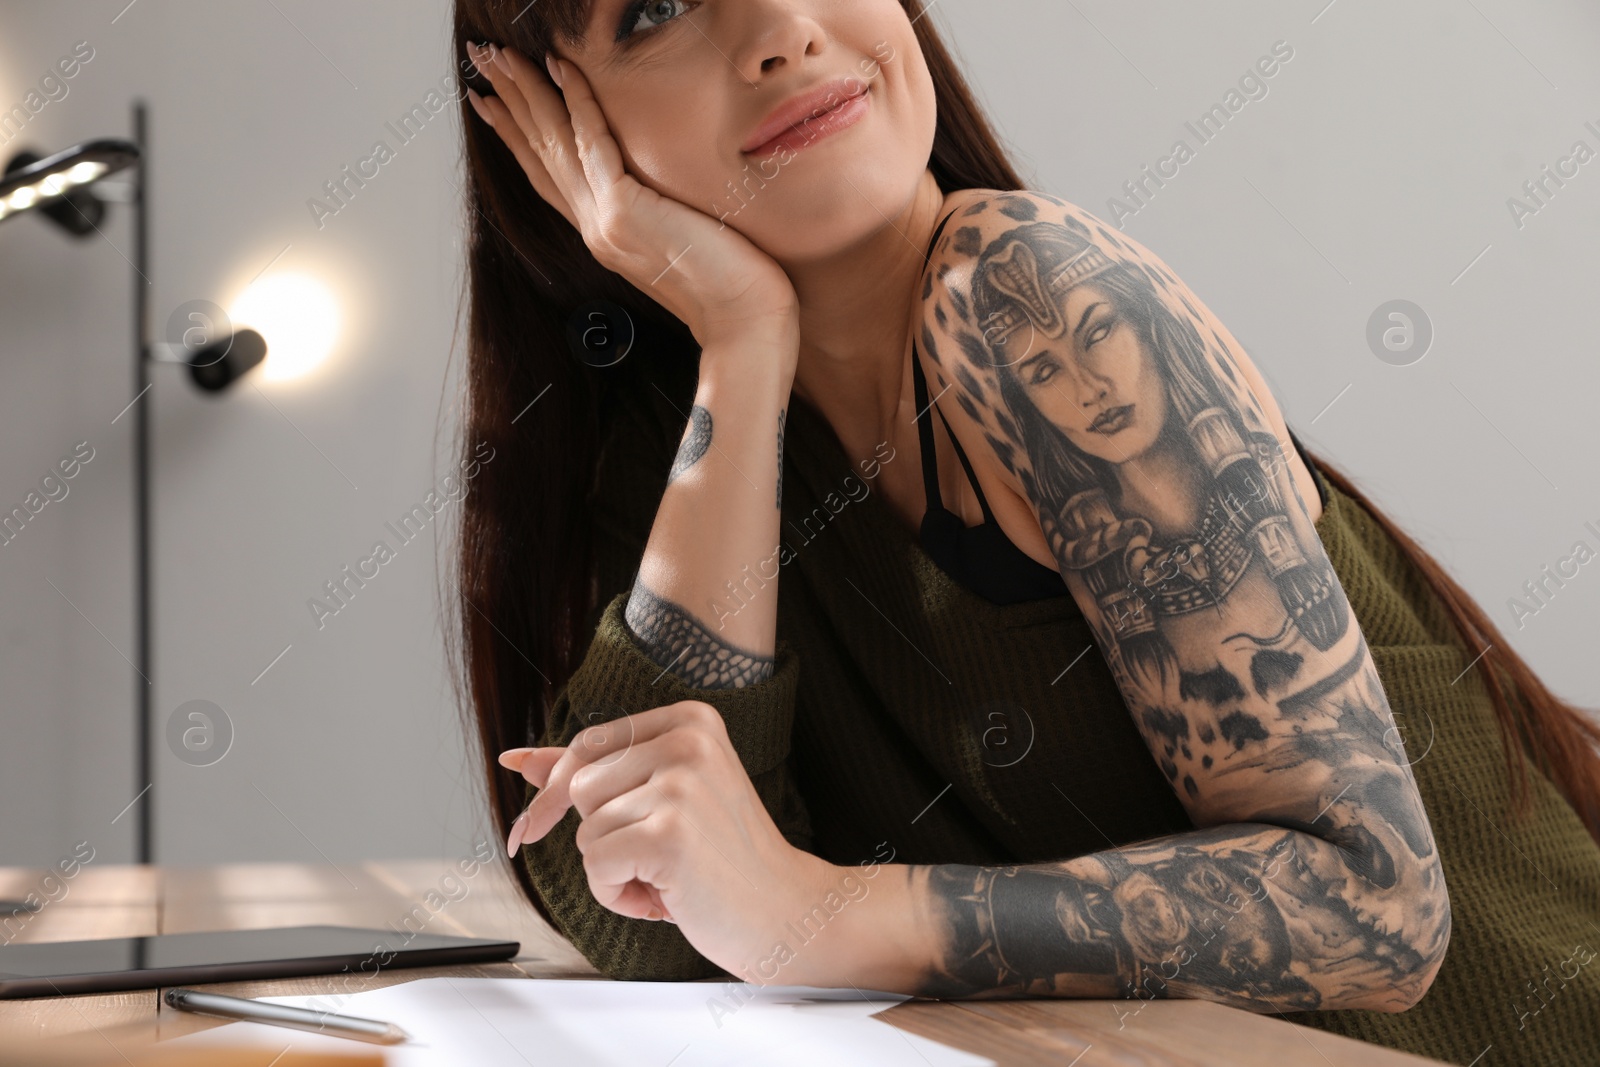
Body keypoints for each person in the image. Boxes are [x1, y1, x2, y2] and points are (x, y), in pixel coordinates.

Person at [443, 2, 1600, 1063]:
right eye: (655, 9)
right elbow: (645, 918)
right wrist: (743, 339)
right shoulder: (683, 428)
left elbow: (1374, 906)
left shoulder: (1028, 298)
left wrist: (812, 914)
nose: (782, 30)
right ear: (551, 121)